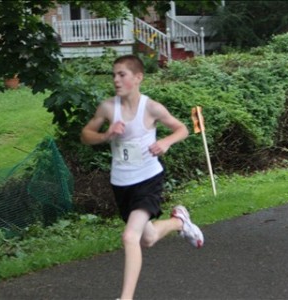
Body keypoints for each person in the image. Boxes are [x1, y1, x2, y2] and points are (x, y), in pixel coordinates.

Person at [80, 55, 204, 300]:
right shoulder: (108, 108)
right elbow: (86, 135)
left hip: (148, 179)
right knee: (146, 239)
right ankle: (180, 222)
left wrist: (165, 142)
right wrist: (106, 135)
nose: (116, 79)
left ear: (138, 78)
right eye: (114, 74)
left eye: (122, 74)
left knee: (130, 236)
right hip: (121, 183)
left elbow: (182, 128)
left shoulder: (151, 108)